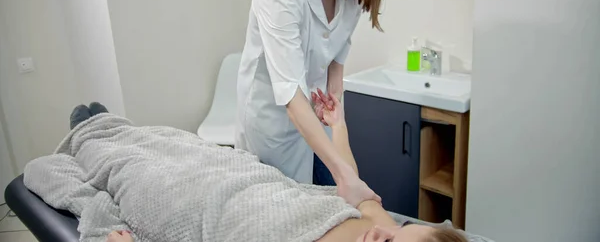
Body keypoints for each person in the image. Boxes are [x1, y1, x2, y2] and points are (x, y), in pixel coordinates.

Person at [82, 97, 467, 242]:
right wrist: (338, 124)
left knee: (137, 173)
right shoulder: (379, 225)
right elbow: (352, 181)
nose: (382, 235)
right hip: (254, 185)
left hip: (211, 213)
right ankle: (109, 126)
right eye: (399, 233)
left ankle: (94, 132)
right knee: (186, 147)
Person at [235, 0, 384, 207]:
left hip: (317, 117)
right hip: (273, 125)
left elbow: (335, 68)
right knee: (279, 209)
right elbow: (290, 94)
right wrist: (344, 174)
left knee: (333, 201)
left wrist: (336, 119)